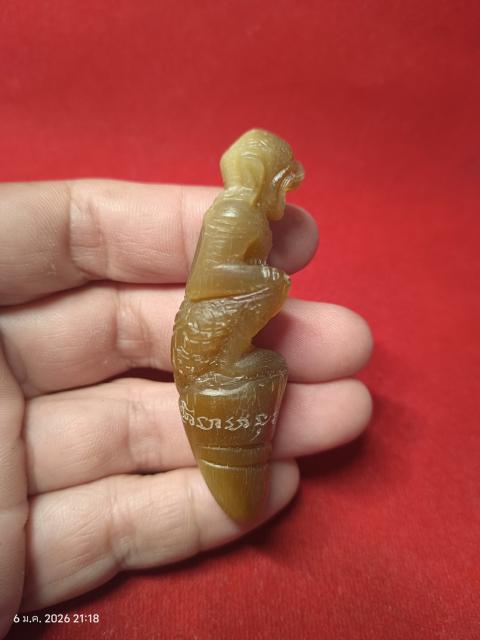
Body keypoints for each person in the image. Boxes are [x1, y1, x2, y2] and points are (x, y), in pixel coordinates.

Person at [0, 180, 373, 636]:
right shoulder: (235, 214)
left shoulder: (247, 214)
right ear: (262, 173)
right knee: (264, 365)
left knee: (268, 366)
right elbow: (214, 277)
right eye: (283, 175)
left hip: (217, 354)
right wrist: (268, 281)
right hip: (210, 349)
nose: (288, 184)